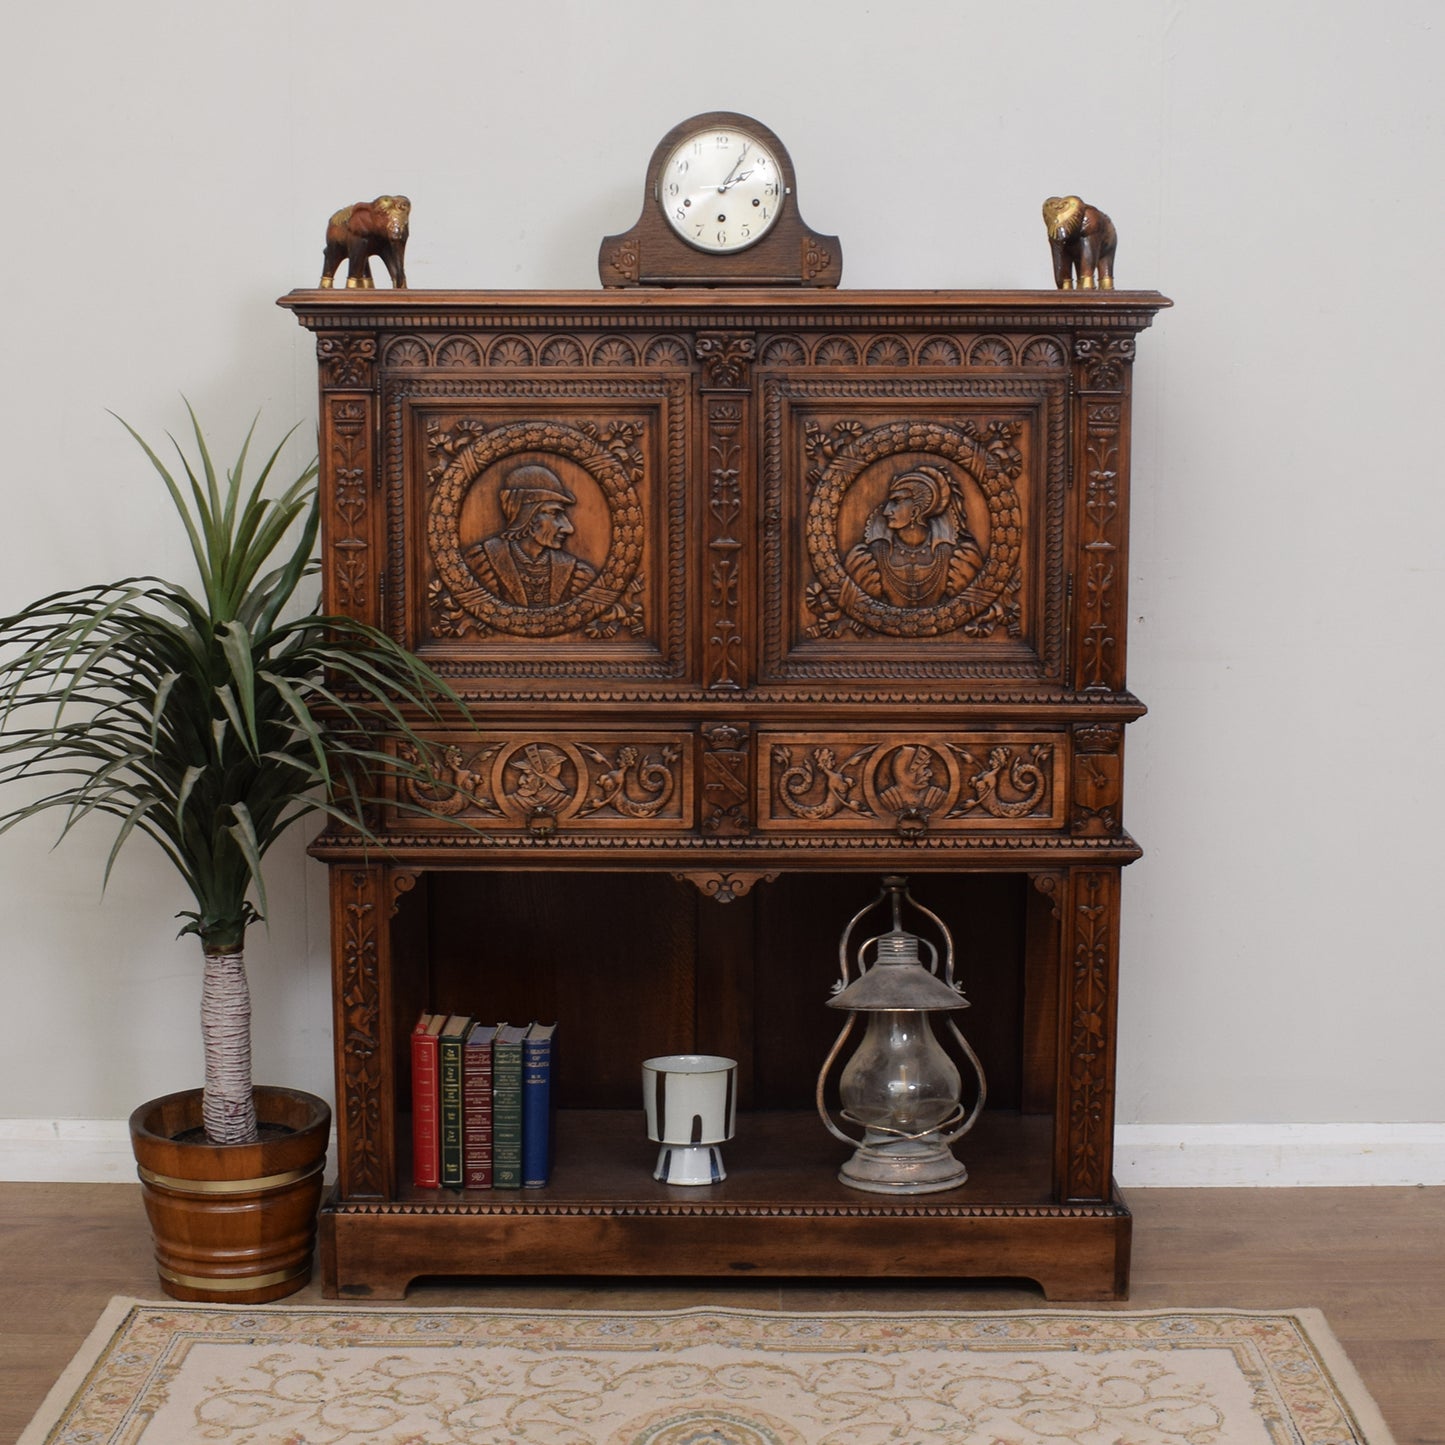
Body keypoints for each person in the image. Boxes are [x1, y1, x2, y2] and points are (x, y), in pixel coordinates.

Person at [843, 464, 983, 609]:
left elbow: (976, 606)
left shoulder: (956, 556)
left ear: (916, 511)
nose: (885, 511)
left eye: (896, 502)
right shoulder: (870, 557)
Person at [464, 463, 597, 607]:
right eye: (554, 513)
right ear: (527, 515)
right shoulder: (482, 562)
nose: (568, 528)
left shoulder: (576, 573)